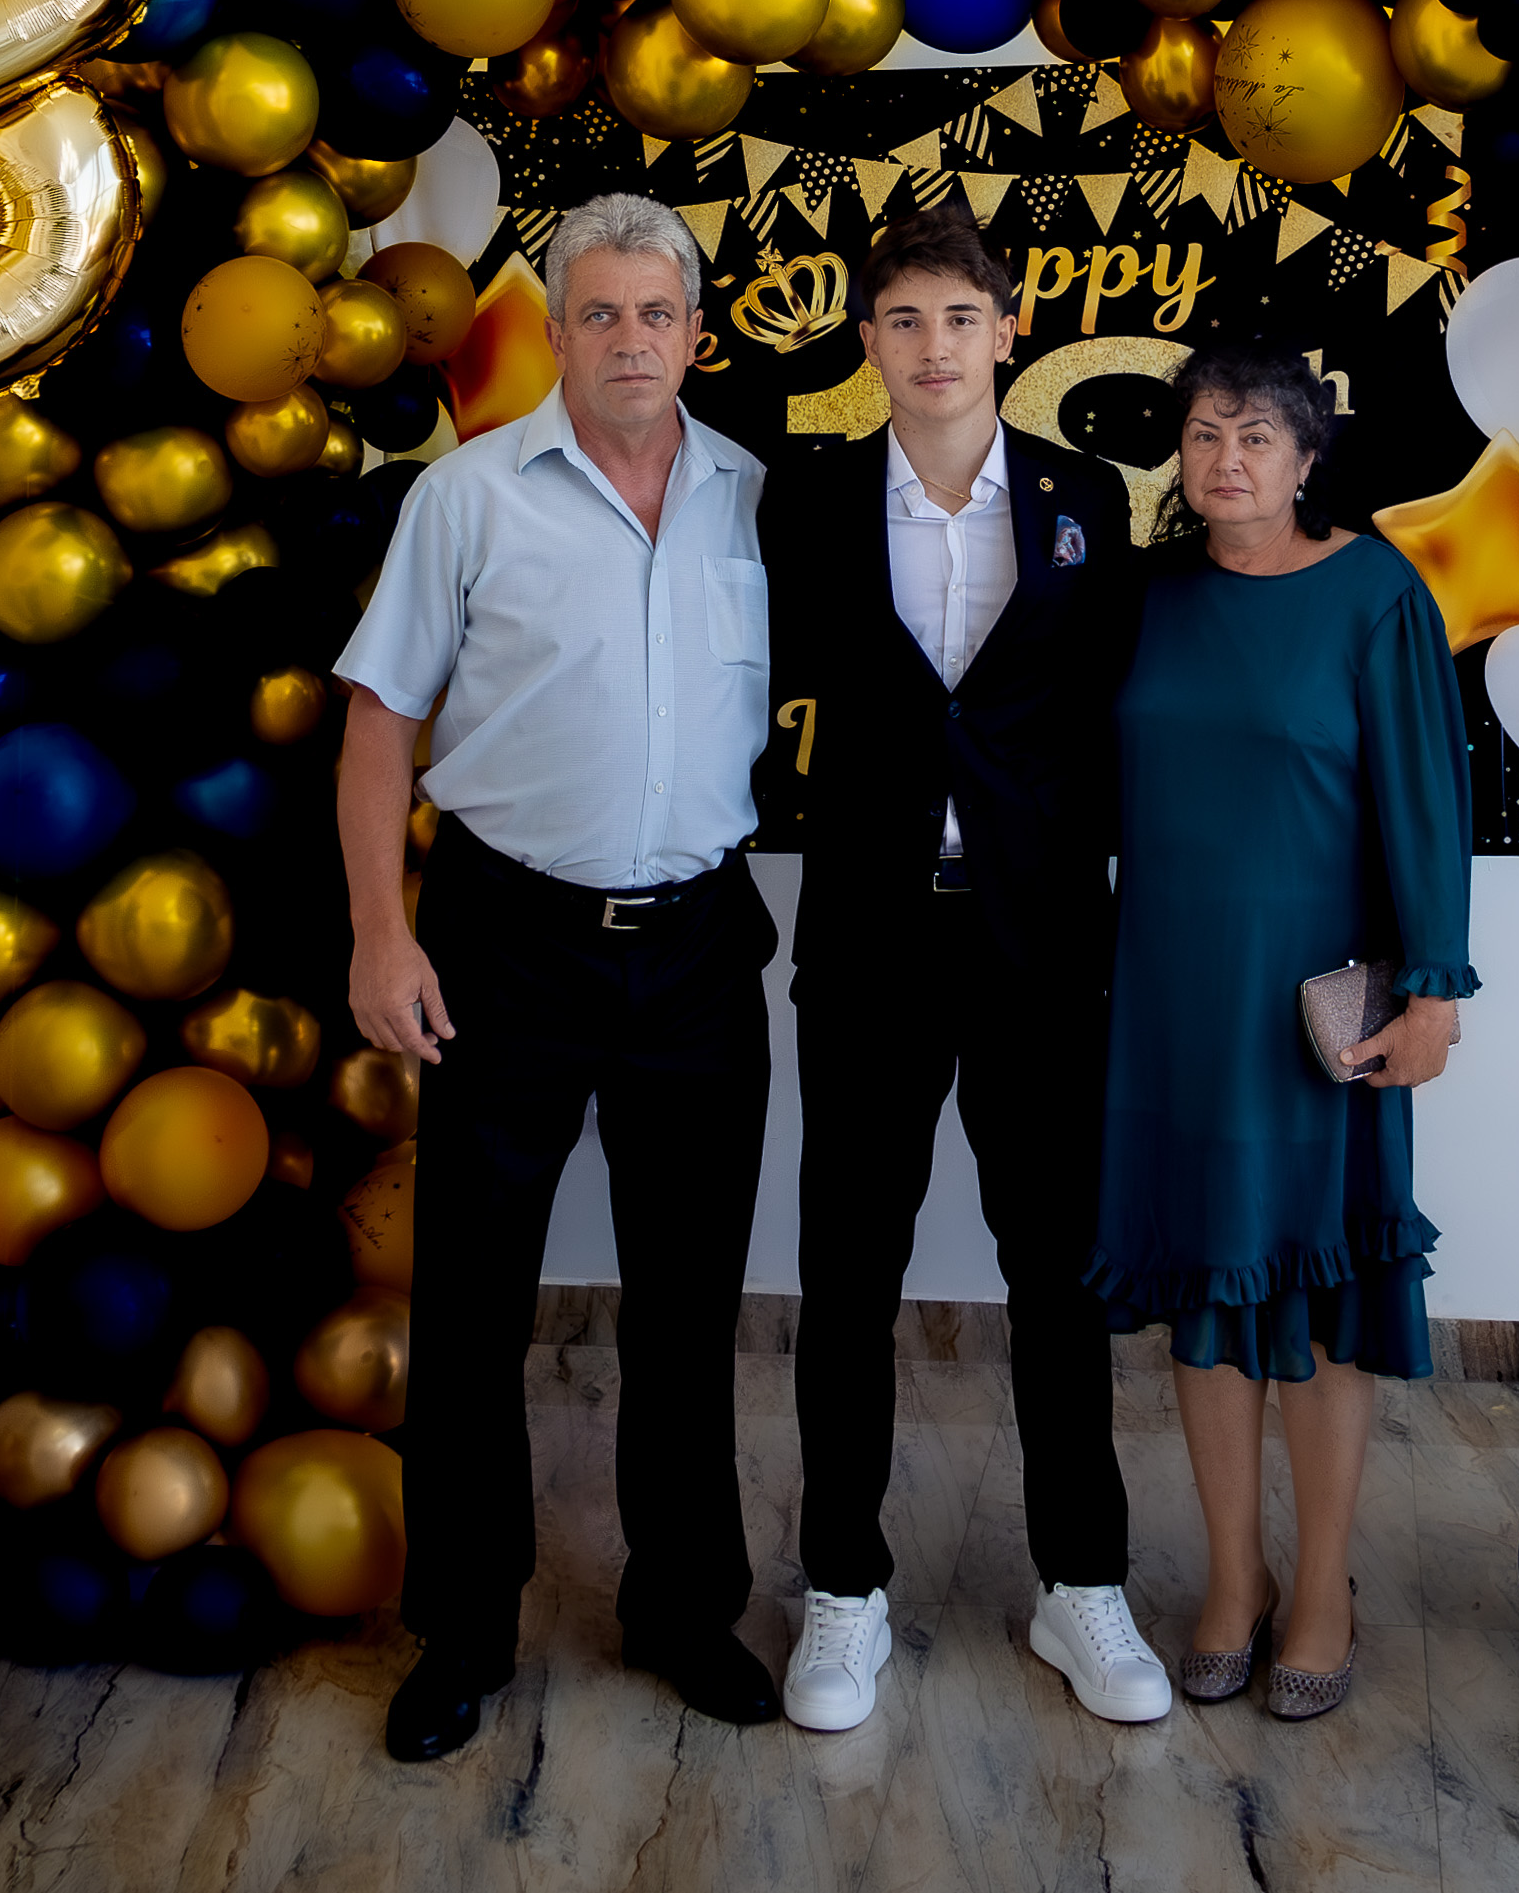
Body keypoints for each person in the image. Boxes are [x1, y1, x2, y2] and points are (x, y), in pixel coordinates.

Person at [330, 193, 782, 1762]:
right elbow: (379, 721)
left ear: (697, 333)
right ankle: (464, 1627)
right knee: (472, 1306)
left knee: (689, 1305)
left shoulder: (756, 498)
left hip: (702, 950)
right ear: (558, 331)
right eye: (600, 312)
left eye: (657, 313)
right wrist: (381, 931)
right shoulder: (464, 497)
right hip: (503, 944)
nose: (630, 339)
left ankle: (685, 1605)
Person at [752, 201, 1168, 1733]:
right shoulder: (805, 498)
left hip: (1039, 943)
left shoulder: (1085, 496)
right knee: (848, 1270)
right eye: (904, 319)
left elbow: (1114, 713)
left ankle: (1083, 1580)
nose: (934, 346)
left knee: (1056, 1271)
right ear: (868, 340)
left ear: (1009, 330)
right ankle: (842, 1588)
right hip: (870, 938)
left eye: (959, 317)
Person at [1087, 343, 1477, 1723]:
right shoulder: (1149, 596)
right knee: (1207, 1288)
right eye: (1204, 433)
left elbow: (1428, 796)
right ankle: (1234, 1578)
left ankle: (1321, 1588)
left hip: (1319, 1005)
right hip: (1173, 999)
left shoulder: (1375, 593)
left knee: (1314, 1297)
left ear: (1309, 458)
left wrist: (1434, 991)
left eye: (1258, 434)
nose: (1227, 458)